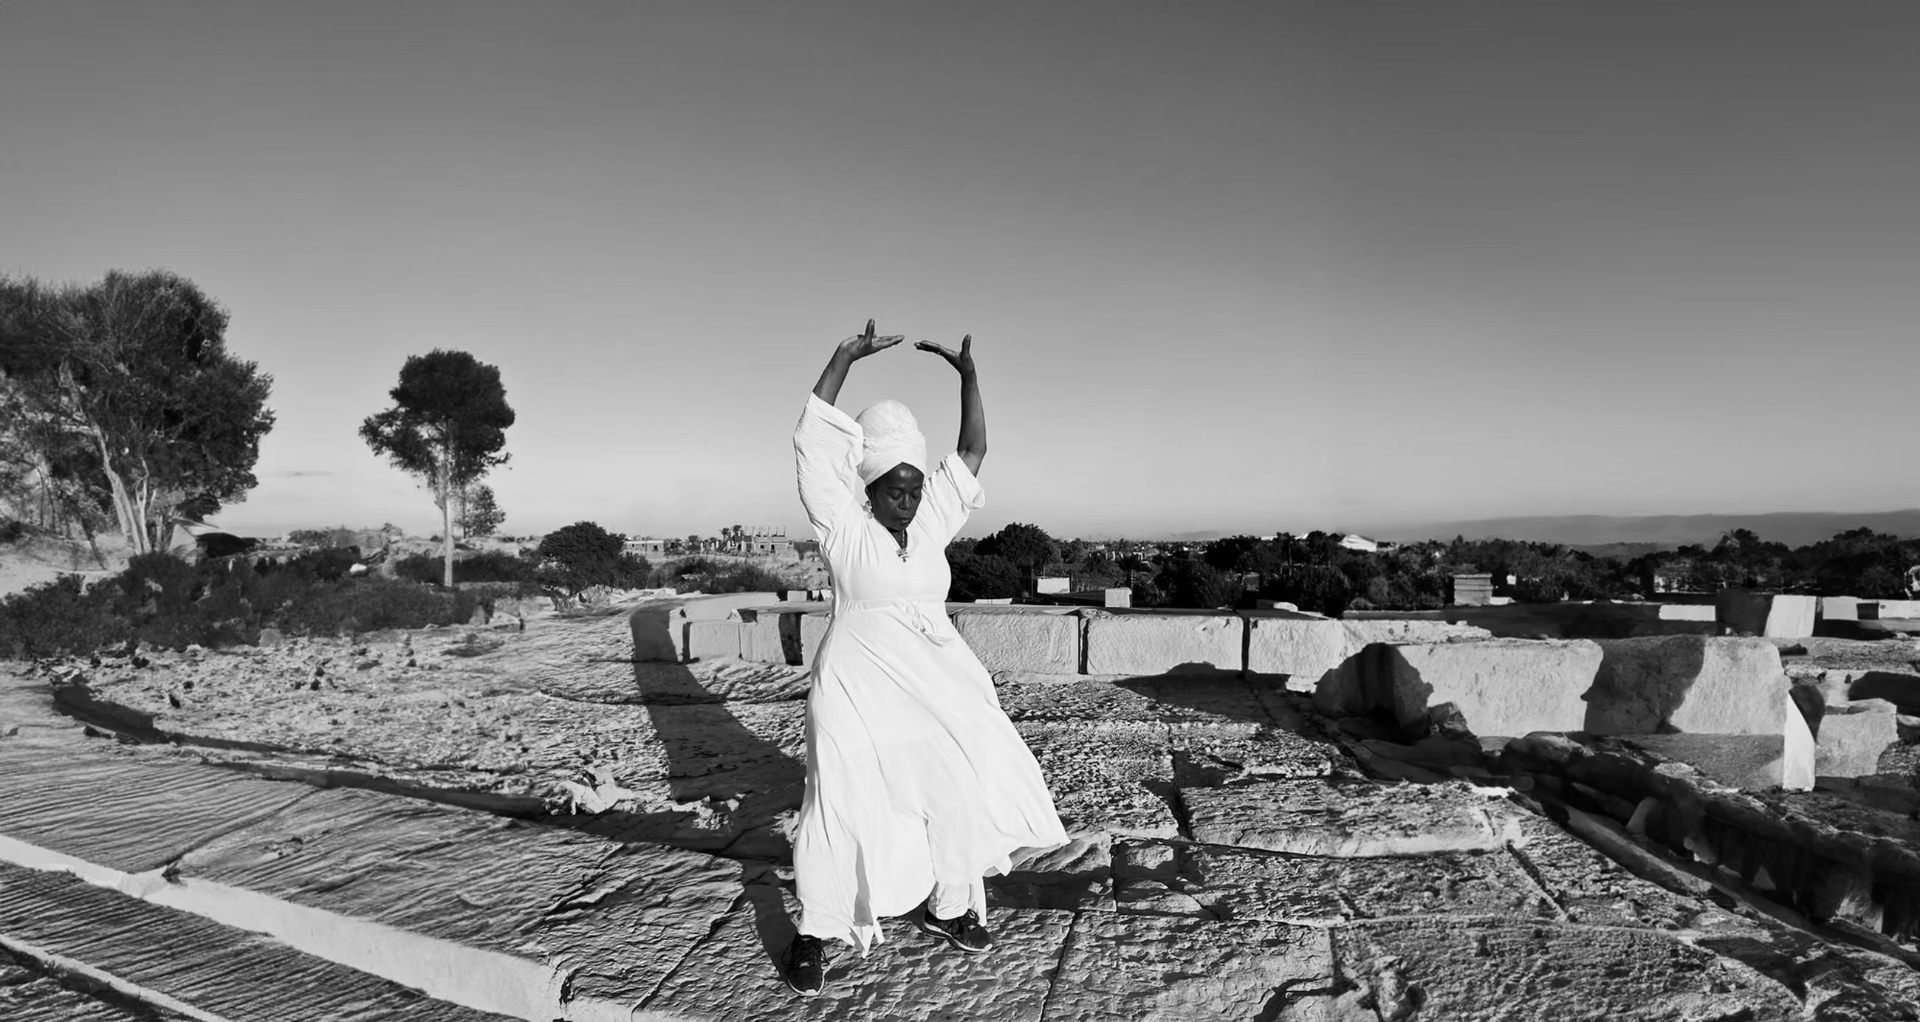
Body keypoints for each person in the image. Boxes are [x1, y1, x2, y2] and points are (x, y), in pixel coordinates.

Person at [780, 320, 1068, 997]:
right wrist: (844, 357)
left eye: (915, 487)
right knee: (838, 802)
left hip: (934, 688)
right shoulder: (843, 526)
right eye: (897, 490)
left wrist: (968, 377)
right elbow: (811, 442)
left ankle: (949, 905)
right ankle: (816, 931)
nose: (910, 500)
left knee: (954, 787)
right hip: (854, 688)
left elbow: (972, 449)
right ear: (871, 487)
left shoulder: (931, 521)